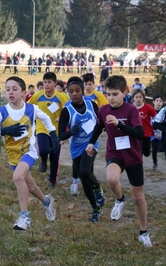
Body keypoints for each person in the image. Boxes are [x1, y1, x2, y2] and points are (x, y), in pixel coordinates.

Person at [86, 75, 152, 247]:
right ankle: (120, 199)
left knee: (138, 198)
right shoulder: (103, 110)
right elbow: (99, 126)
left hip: (133, 155)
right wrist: (91, 142)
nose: (111, 98)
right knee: (112, 179)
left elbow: (139, 133)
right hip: (115, 152)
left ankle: (143, 232)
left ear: (125, 92)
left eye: (115, 94)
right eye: (108, 94)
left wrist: (119, 125)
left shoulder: (131, 110)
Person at [0, 76, 57, 230]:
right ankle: (47, 202)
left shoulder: (31, 109)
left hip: (29, 152)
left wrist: (53, 133)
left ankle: (25, 217)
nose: (10, 92)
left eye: (15, 89)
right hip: (13, 156)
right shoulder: (1, 111)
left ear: (23, 92)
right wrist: (5, 130)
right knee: (31, 187)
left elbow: (47, 118)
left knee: (17, 177)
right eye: (8, 89)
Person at [58, 77, 105, 223]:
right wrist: (71, 131)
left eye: (77, 90)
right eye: (71, 91)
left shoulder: (92, 105)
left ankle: (98, 189)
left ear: (83, 91)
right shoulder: (66, 111)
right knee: (85, 181)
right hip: (76, 148)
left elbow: (101, 123)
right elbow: (61, 135)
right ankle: (95, 209)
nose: (74, 94)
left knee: (84, 171)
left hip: (91, 144)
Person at [27, 72, 69, 187]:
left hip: (56, 131)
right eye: (45, 82)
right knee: (44, 150)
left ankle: (52, 180)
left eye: (49, 82)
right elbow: (27, 106)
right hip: (42, 128)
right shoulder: (37, 96)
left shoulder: (61, 97)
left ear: (55, 83)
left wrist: (63, 117)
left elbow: (70, 109)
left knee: (55, 156)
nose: (47, 85)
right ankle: (44, 159)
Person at [131, 89, 157, 158]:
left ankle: (145, 153)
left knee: (146, 153)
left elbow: (156, 117)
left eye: (140, 97)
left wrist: (156, 128)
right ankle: (139, 164)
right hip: (136, 133)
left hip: (146, 132)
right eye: (136, 97)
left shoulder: (148, 107)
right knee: (139, 151)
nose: (138, 99)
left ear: (143, 98)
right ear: (133, 98)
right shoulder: (131, 108)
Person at [151, 94, 164, 170]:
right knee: (154, 150)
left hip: (162, 133)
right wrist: (153, 132)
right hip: (153, 134)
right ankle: (154, 163)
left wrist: (162, 132)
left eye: (161, 101)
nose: (159, 103)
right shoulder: (150, 111)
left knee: (163, 148)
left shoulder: (164, 112)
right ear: (153, 102)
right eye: (157, 101)